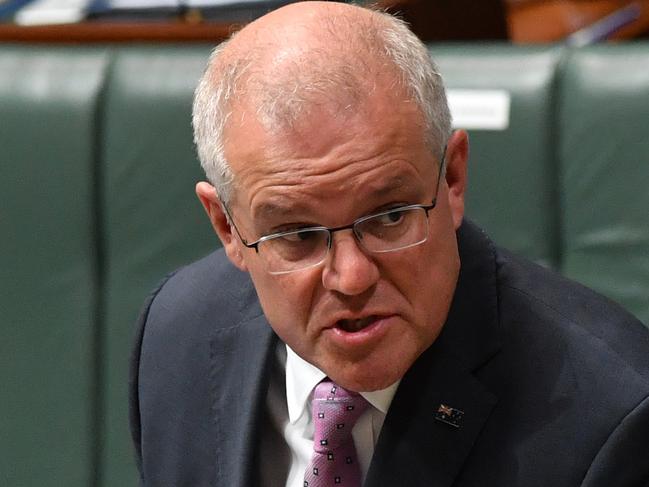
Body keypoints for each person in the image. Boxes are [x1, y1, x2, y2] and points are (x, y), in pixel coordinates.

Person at [129, 2, 649, 486]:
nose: (352, 277)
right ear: (227, 227)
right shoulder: (177, 334)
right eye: (297, 235)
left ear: (452, 179)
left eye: (390, 217)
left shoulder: (612, 419)